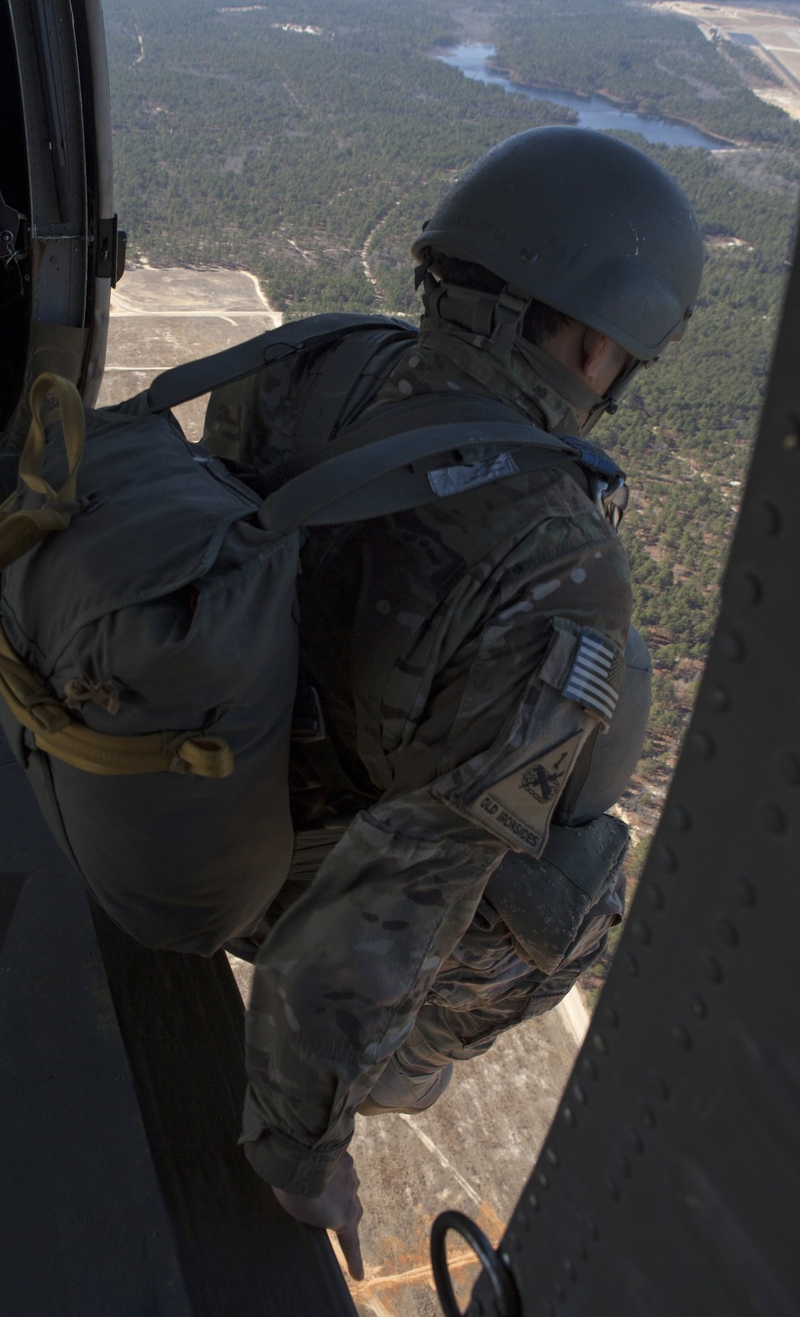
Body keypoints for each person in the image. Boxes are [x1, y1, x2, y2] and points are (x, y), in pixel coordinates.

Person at [203, 126, 704, 1279]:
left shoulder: (305, 363)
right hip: (282, 891)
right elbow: (406, 883)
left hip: (182, 791)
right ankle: (404, 1064)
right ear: (591, 337)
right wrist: (299, 1147)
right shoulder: (556, 559)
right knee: (571, 890)